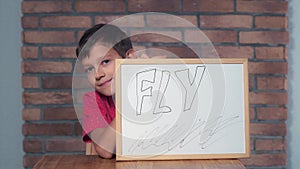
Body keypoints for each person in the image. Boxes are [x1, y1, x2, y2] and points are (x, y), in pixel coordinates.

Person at [75, 24, 136, 158]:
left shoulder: (152, 88)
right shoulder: (93, 101)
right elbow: (105, 150)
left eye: (105, 62)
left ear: (129, 59)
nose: (97, 74)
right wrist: (132, 99)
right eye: (89, 69)